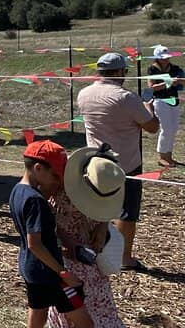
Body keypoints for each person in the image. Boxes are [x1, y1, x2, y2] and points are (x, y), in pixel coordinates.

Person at [77, 52, 160, 270]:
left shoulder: (84, 94)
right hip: (126, 164)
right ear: (120, 72)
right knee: (127, 212)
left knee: (96, 208)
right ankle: (124, 258)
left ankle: (92, 249)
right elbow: (152, 127)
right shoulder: (126, 97)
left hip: (95, 162)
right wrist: (149, 106)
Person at [10, 140, 92, 328]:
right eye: (54, 174)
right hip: (50, 275)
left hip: (29, 268)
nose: (57, 180)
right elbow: (35, 244)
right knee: (86, 323)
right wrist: (63, 273)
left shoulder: (17, 191)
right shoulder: (36, 201)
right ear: (38, 168)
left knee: (38, 314)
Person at [48, 145, 127, 328]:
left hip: (90, 257)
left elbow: (104, 212)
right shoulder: (60, 186)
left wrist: (102, 225)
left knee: (95, 305)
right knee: (77, 310)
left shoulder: (105, 184)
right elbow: (48, 222)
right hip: (67, 258)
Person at [148, 45, 183, 168]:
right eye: (163, 58)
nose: (166, 60)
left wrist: (179, 80)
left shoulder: (175, 68)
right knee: (166, 129)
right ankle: (162, 157)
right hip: (161, 101)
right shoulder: (152, 69)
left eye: (167, 57)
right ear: (157, 58)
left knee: (173, 130)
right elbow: (152, 87)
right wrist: (168, 83)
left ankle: (169, 156)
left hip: (174, 100)